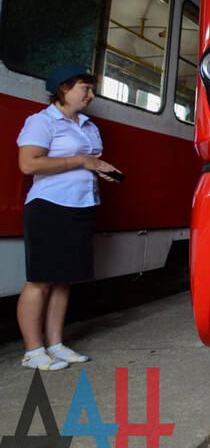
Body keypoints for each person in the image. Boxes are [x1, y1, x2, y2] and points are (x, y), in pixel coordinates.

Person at [15, 64, 121, 371]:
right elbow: (28, 164)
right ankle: (33, 352)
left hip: (81, 206)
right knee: (40, 280)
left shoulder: (88, 126)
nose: (91, 95)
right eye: (85, 88)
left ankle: (55, 345)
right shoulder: (41, 121)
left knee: (63, 280)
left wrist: (100, 169)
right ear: (64, 88)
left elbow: (88, 162)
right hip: (50, 206)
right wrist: (81, 161)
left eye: (92, 88)